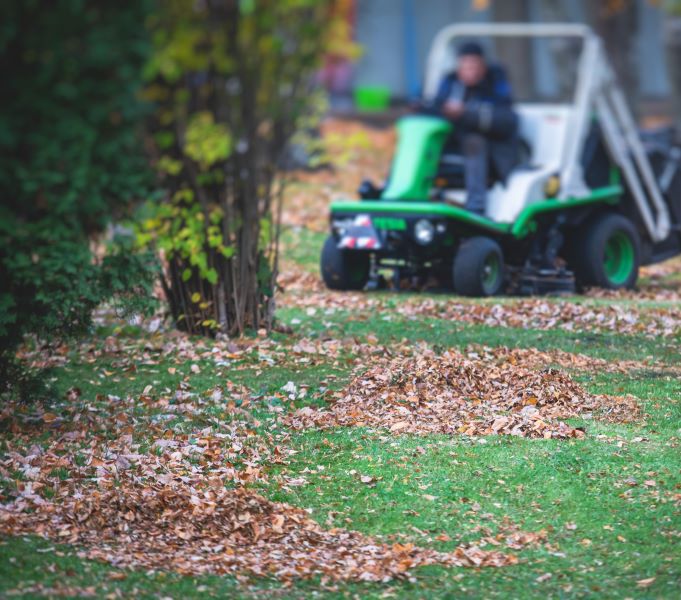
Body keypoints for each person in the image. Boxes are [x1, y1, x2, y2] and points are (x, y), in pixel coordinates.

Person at [431, 41, 519, 215]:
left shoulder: (495, 84)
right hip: (455, 140)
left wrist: (466, 113)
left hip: (491, 144)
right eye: (465, 66)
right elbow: (435, 105)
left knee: (474, 142)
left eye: (474, 66)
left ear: (483, 67)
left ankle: (476, 206)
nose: (470, 71)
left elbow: (507, 120)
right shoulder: (450, 83)